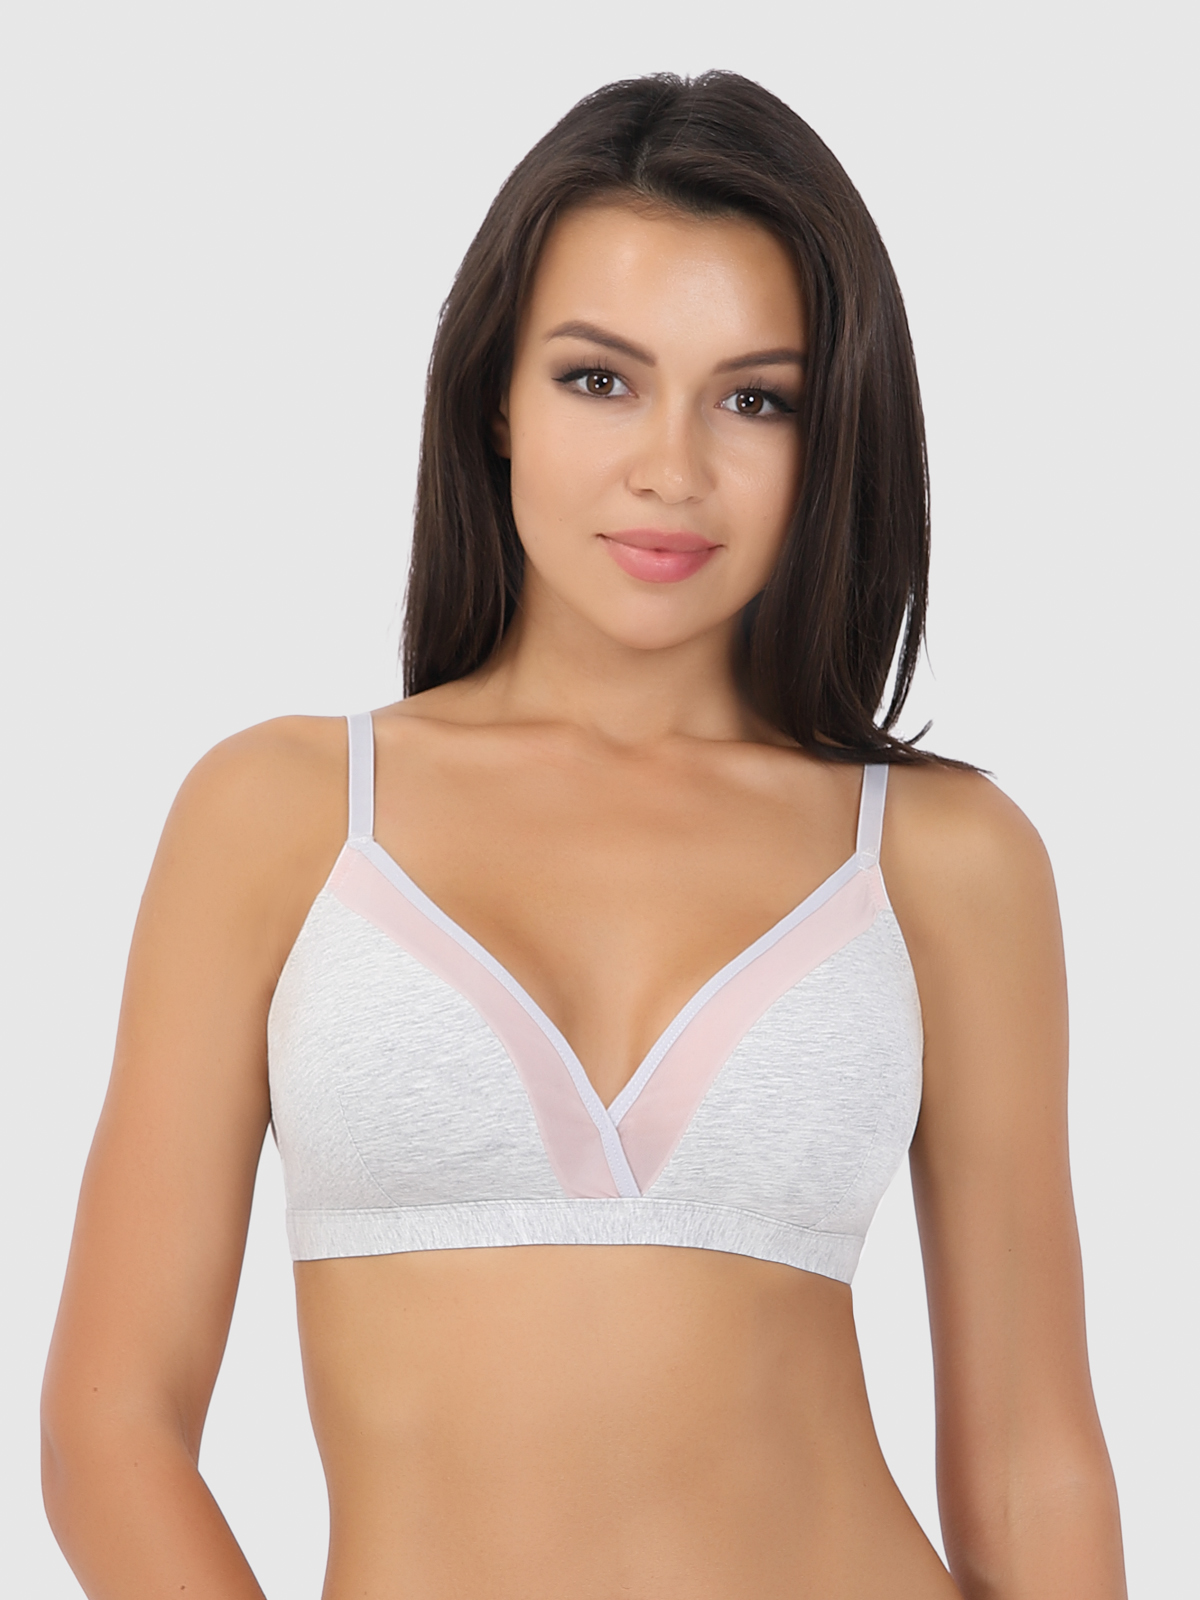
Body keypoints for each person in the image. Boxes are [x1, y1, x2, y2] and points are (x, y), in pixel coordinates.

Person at [40, 72, 1126, 1599]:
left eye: (755, 398)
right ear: (496, 393)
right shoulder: (282, 814)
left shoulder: (948, 859)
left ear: (832, 437)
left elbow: (1033, 1460)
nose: (671, 466)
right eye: (600, 378)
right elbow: (112, 1429)